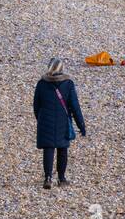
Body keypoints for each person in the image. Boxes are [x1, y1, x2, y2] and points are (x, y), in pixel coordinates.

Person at [33, 58, 86, 189]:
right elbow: (74, 106)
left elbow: (36, 105)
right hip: (63, 120)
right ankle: (61, 178)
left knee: (48, 148)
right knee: (62, 149)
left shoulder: (41, 83)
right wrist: (81, 125)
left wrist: (40, 119)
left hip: (45, 119)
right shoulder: (68, 83)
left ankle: (48, 178)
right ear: (61, 68)